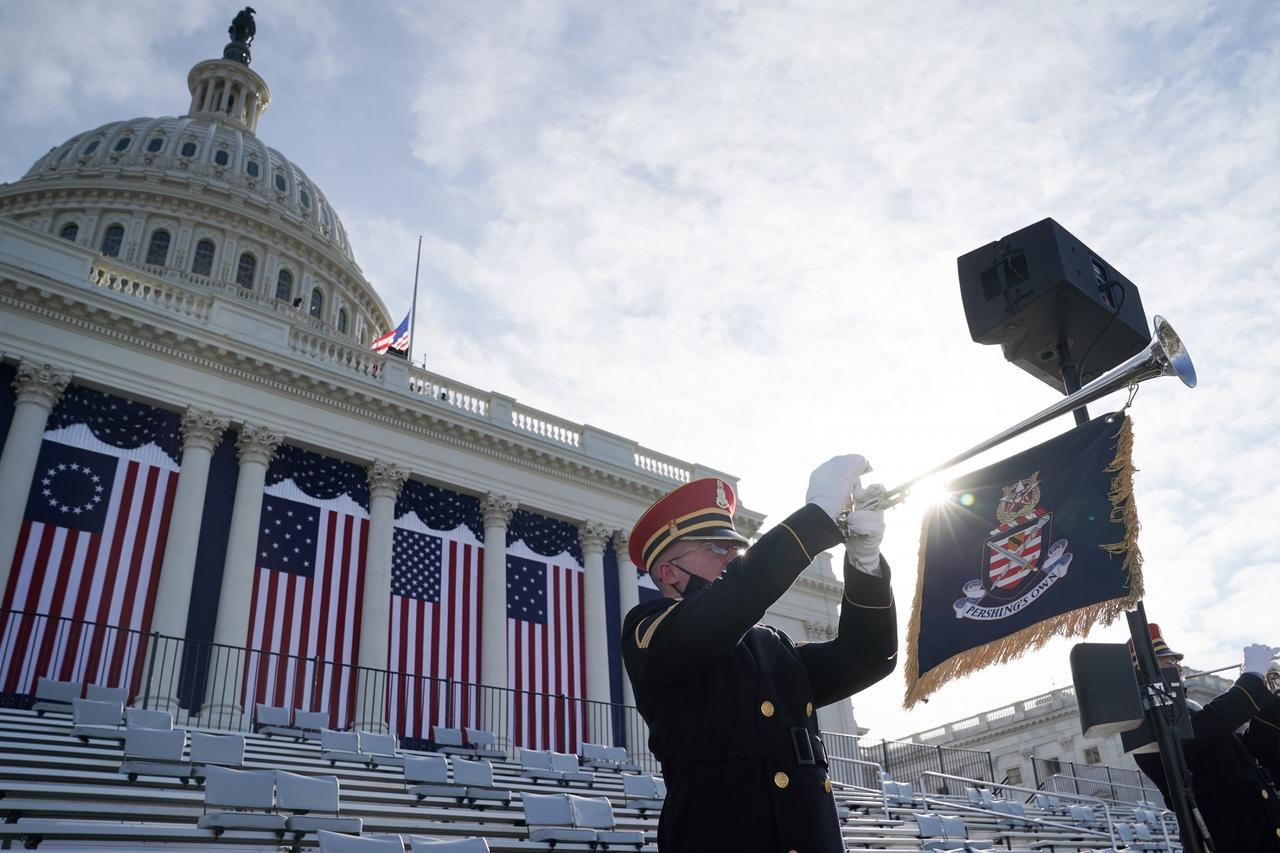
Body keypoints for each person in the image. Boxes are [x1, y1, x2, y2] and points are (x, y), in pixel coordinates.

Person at [621, 455, 897, 852]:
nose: (734, 556)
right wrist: (816, 517)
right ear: (669, 573)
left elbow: (868, 656)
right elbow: (728, 605)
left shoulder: (773, 644)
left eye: (737, 547)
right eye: (718, 547)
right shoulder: (649, 628)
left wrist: (864, 561)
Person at [1130, 627, 1280, 850]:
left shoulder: (1189, 712)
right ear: (1141, 672)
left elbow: (1251, 752)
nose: (1178, 667)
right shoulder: (1144, 722)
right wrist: (1251, 678)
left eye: (1175, 661)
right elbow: (1207, 728)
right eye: (1166, 661)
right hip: (1228, 837)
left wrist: (1270, 696)